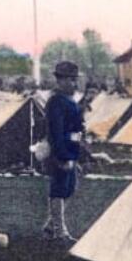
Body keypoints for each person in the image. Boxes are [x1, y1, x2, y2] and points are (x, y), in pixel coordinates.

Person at [42, 61, 86, 242]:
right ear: (61, 81)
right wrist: (63, 155)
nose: (75, 84)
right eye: (71, 80)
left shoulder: (69, 100)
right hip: (61, 150)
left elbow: (76, 128)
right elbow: (56, 131)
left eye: (75, 80)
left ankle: (51, 225)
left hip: (71, 149)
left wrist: (78, 151)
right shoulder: (56, 102)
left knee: (69, 188)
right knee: (59, 189)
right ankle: (59, 230)